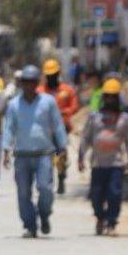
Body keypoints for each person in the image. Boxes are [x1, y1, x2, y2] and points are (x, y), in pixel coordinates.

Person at [3, 64, 67, 238]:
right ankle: (30, 224)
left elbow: (58, 124)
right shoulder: (14, 105)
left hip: (44, 154)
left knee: (45, 188)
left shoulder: (48, 102)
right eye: (26, 82)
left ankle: (44, 215)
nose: (29, 85)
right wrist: (6, 150)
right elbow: (9, 127)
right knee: (23, 192)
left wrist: (63, 147)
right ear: (21, 83)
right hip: (22, 155)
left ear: (37, 82)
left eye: (32, 82)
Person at [78, 78, 128, 236]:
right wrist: (81, 157)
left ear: (117, 98)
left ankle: (111, 223)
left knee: (114, 194)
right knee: (96, 196)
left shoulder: (125, 119)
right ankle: (99, 217)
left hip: (116, 164)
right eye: (107, 96)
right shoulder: (94, 117)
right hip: (98, 164)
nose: (110, 100)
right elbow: (85, 137)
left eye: (113, 96)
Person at [42, 58, 79, 195]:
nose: (51, 77)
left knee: (61, 155)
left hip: (62, 128)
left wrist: (62, 112)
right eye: (49, 75)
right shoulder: (40, 91)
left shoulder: (67, 90)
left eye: (54, 74)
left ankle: (61, 178)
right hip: (45, 130)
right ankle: (47, 181)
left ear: (58, 74)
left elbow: (74, 106)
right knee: (46, 157)